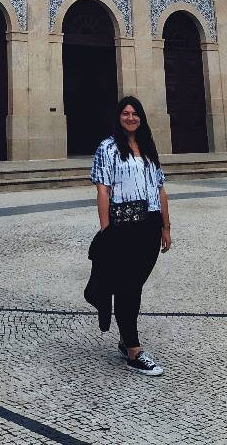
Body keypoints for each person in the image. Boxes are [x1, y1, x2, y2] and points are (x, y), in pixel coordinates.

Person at [84, 96, 171, 377]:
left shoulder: (147, 148)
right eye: (125, 113)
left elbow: (160, 188)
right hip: (123, 225)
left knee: (135, 283)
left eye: (135, 113)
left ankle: (126, 337)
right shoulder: (107, 148)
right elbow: (103, 190)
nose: (130, 117)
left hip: (150, 223)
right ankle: (133, 348)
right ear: (118, 116)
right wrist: (106, 229)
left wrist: (166, 227)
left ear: (141, 118)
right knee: (128, 285)